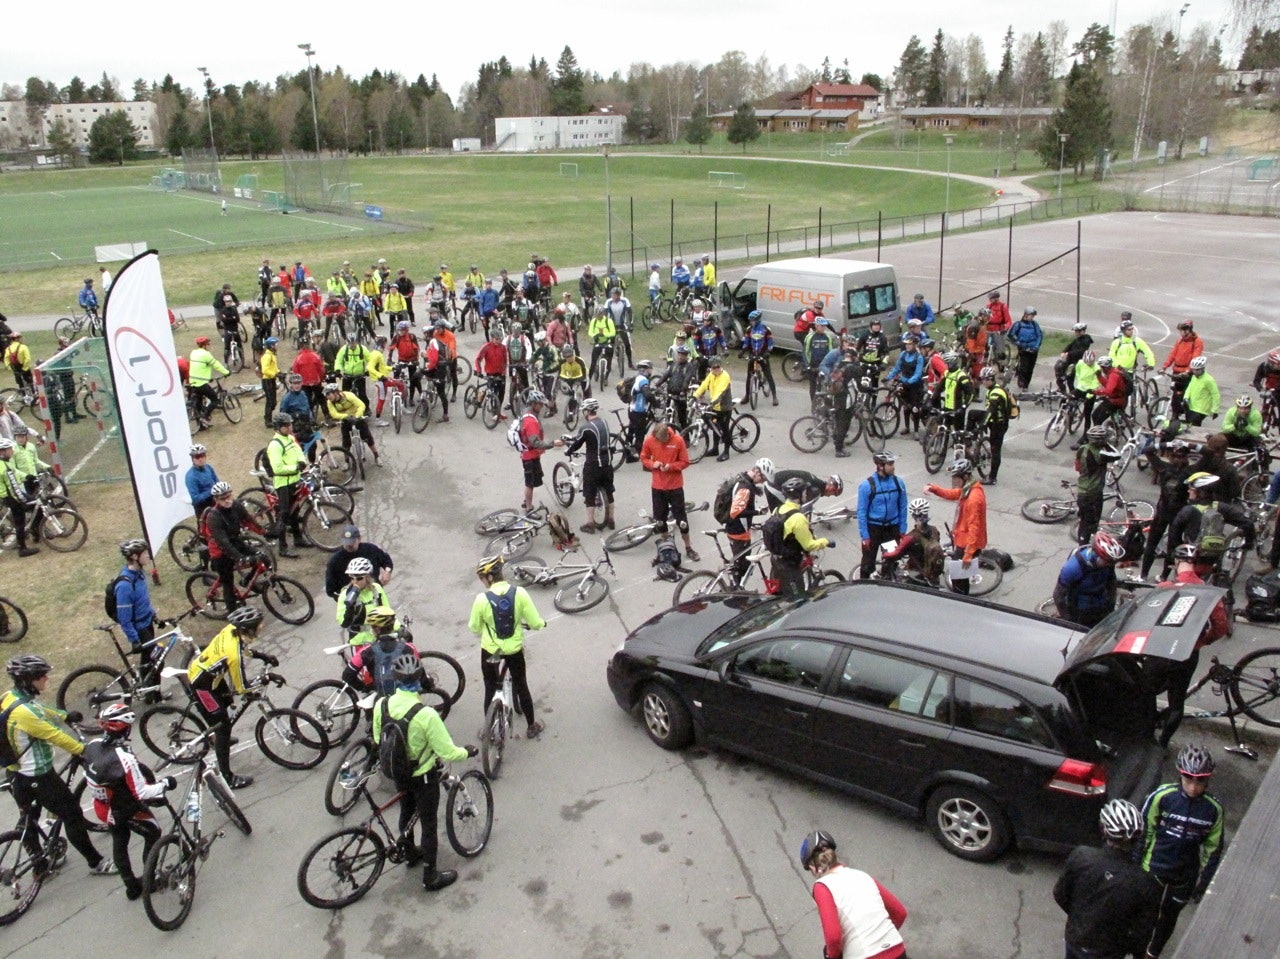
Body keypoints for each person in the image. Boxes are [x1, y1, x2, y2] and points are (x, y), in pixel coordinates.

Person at [3, 655, 116, 875]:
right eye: (41, 676)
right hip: (38, 775)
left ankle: (40, 867)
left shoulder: (10, 697)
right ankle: (96, 863)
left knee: (29, 819)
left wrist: (64, 715)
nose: (46, 678)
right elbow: (55, 736)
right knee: (72, 814)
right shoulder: (25, 714)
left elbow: (39, 709)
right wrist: (84, 750)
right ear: (28, 679)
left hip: (16, 773)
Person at [371, 653, 475, 892]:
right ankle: (430, 875)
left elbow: (378, 738)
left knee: (406, 811)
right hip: (423, 776)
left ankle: (410, 853)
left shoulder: (381, 705)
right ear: (419, 680)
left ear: (396, 680)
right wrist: (467, 752)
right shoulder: (426, 715)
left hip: (397, 772)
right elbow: (448, 752)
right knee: (429, 824)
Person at [81, 703, 178, 901]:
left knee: (120, 839)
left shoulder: (92, 745)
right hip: (124, 807)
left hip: (103, 806)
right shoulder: (124, 758)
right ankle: (150, 880)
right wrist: (165, 784)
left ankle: (131, 886)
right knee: (153, 832)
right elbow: (141, 792)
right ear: (125, 729)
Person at [1138, 744, 1225, 959]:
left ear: (1208, 779)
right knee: (1144, 913)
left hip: (1185, 875)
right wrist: (1134, 863)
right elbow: (1144, 831)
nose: (1193, 787)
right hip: (1154, 867)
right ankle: (1137, 950)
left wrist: (1204, 882)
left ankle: (1153, 953)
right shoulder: (1161, 796)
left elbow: (1213, 849)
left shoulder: (1213, 809)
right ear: (1180, 774)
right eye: (1188, 779)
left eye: (1200, 781)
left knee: (1169, 918)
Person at [1053, 799, 1161, 959]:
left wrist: (1079, 920)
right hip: (1109, 951)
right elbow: (1141, 932)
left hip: (1076, 940)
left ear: (1103, 829)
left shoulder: (1081, 856)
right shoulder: (1145, 883)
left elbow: (1060, 894)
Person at [1146, 544, 1230, 747]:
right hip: (1187, 652)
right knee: (1177, 702)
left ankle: (1146, 737)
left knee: (1146, 695)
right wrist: (1204, 640)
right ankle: (1163, 743)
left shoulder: (1164, 588)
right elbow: (1221, 626)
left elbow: (1148, 619)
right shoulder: (1208, 593)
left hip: (1160, 649)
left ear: (1176, 562)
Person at [186, 606, 278, 789]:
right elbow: (242, 687)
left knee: (227, 701)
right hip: (202, 686)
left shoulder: (231, 630)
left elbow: (242, 647)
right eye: (258, 625)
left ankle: (218, 735)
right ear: (248, 628)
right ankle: (227, 778)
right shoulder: (233, 656)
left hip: (209, 674)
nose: (261, 627)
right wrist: (267, 678)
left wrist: (262, 656)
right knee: (223, 727)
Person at [470, 555, 547, 740]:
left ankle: (488, 730)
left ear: (489, 577)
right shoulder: (519, 593)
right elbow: (534, 622)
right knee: (521, 685)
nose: (482, 581)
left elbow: (474, 627)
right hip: (514, 651)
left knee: (490, 687)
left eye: (482, 578)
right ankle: (532, 726)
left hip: (490, 651)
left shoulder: (481, 599)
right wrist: (541, 624)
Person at [801, 830, 907, 959]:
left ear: (812, 867)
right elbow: (900, 913)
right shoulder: (862, 875)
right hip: (897, 950)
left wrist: (831, 955)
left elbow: (833, 938)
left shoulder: (822, 887)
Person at [202, 480, 270, 613]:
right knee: (228, 584)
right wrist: (240, 558)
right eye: (223, 499)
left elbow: (248, 521)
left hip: (235, 541)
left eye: (229, 496)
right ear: (216, 500)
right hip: (220, 552)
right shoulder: (213, 517)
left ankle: (247, 581)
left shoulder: (236, 505)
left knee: (264, 559)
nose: (227, 500)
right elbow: (223, 542)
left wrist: (265, 532)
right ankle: (233, 616)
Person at [924, 458, 987, 594]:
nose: (954, 481)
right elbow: (953, 494)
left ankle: (961, 600)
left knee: (958, 579)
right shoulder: (969, 488)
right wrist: (934, 489)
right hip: (963, 540)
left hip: (966, 544)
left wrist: (968, 554)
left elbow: (974, 528)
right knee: (961, 577)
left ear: (965, 477)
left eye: (956, 478)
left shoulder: (973, 498)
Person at [639, 420, 700, 560]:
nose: (662, 442)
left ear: (668, 434)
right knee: (660, 521)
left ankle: (689, 548)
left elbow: (685, 462)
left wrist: (671, 466)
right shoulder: (650, 441)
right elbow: (643, 458)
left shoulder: (678, 441)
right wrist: (653, 464)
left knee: (682, 521)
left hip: (675, 487)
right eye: (659, 440)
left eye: (664, 440)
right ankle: (667, 546)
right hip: (658, 487)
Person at [112, 539, 165, 697]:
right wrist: (134, 639)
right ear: (135, 557)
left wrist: (154, 616)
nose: (148, 555)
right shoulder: (125, 585)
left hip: (147, 623)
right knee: (158, 659)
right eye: (144, 553)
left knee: (149, 661)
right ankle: (152, 693)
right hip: (139, 629)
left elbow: (143, 601)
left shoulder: (139, 574)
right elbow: (124, 618)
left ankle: (152, 694)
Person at [769, 477, 834, 598]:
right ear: (798, 495)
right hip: (789, 566)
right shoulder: (798, 518)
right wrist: (826, 541)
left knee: (781, 594)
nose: (806, 494)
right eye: (804, 492)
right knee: (798, 600)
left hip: (776, 560)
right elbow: (808, 545)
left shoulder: (778, 509)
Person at [1140, 440, 1194, 581]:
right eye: (1175, 456)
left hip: (1173, 513)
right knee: (1157, 544)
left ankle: (1157, 575)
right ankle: (1149, 575)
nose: (1177, 460)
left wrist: (1173, 445)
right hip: (1168, 511)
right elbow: (1147, 450)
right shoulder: (1171, 469)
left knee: (1168, 545)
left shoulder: (1183, 471)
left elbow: (1148, 450)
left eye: (1180, 457)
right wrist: (1169, 445)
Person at [1053, 530, 1126, 628]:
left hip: (1100, 603)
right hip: (1081, 609)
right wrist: (1068, 620)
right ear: (1097, 556)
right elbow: (1058, 596)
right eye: (1107, 562)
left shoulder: (1108, 561)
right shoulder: (1073, 568)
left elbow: (1111, 582)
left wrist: (1110, 607)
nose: (1110, 565)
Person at [565, 399, 615, 534]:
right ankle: (611, 520)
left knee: (590, 495)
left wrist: (568, 451)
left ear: (587, 411)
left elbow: (577, 443)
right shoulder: (604, 422)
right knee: (609, 492)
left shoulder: (586, 427)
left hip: (593, 466)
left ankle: (590, 524)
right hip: (607, 464)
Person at [857, 451, 908, 580]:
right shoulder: (866, 486)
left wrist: (902, 529)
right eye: (890, 464)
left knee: (891, 561)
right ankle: (863, 585)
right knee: (867, 564)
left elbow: (903, 506)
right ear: (880, 466)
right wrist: (865, 536)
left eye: (893, 464)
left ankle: (886, 583)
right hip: (874, 529)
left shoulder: (898, 483)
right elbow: (861, 512)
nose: (893, 467)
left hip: (891, 529)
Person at [514, 390, 564, 512]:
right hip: (530, 457)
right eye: (540, 404)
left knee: (532, 480)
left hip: (531, 455)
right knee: (530, 484)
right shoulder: (531, 421)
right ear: (533, 404)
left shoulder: (527, 413)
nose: (542, 406)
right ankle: (529, 508)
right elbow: (535, 443)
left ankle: (527, 501)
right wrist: (552, 443)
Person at [879, 497, 946, 584]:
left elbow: (896, 554)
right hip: (933, 575)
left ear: (913, 516)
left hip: (916, 575)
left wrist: (885, 554)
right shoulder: (935, 530)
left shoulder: (910, 537)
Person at [324, 525, 394, 600]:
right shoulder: (335, 561)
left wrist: (387, 571)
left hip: (375, 595)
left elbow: (386, 560)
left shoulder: (370, 549)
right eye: (346, 542)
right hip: (352, 601)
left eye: (352, 542)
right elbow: (330, 590)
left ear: (359, 539)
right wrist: (344, 597)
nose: (349, 545)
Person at [722, 463, 765, 584]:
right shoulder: (745, 488)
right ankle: (736, 589)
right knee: (742, 566)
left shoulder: (742, 478)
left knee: (739, 562)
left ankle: (734, 582)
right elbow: (736, 512)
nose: (762, 482)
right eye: (763, 478)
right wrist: (757, 512)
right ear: (757, 472)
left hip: (733, 528)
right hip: (739, 532)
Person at [1076, 425, 1119, 545]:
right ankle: (1083, 547)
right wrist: (1106, 444)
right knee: (1090, 524)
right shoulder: (1101, 454)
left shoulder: (1082, 449)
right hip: (1093, 492)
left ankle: (1082, 545)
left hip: (1082, 489)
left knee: (1084, 522)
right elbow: (1117, 454)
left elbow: (1077, 467)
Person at [325, 383, 380, 466]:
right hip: (346, 420)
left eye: (329, 394)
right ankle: (346, 462)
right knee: (346, 441)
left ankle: (377, 456)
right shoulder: (330, 402)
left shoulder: (348, 395)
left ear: (335, 392)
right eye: (326, 395)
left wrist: (357, 416)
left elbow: (361, 405)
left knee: (368, 437)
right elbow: (334, 414)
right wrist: (346, 417)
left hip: (357, 417)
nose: (328, 397)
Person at [0, 438, 38, 556]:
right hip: (10, 497)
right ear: (2, 452)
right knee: (20, 521)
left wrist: (28, 477)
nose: (12, 451)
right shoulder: (5, 468)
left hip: (10, 495)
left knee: (35, 505)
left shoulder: (5, 463)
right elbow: (13, 489)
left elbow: (16, 473)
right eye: (10, 449)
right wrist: (22, 500)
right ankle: (22, 549)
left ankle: (35, 530)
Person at [692, 355, 733, 463]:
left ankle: (726, 452)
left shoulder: (725, 376)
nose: (716, 369)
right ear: (710, 368)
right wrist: (695, 396)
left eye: (718, 367)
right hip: (715, 406)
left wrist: (711, 403)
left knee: (724, 428)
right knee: (714, 426)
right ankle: (715, 449)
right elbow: (704, 385)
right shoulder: (711, 375)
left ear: (720, 366)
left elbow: (720, 393)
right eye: (713, 367)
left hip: (724, 407)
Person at [885, 335, 926, 434]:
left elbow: (918, 373)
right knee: (906, 407)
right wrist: (888, 378)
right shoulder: (903, 354)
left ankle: (916, 431)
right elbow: (897, 368)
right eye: (906, 344)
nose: (907, 346)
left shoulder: (919, 357)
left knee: (915, 408)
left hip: (915, 386)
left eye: (910, 344)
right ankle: (907, 427)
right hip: (904, 383)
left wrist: (909, 381)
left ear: (915, 345)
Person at [189, 335, 229, 429]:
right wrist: (226, 372)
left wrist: (208, 378)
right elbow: (216, 364)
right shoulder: (206, 354)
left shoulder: (193, 353)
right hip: (201, 383)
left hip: (193, 382)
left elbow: (200, 367)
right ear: (204, 345)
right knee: (215, 400)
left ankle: (200, 426)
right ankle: (205, 416)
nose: (209, 346)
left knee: (199, 404)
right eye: (208, 344)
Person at [980, 367, 1012, 484]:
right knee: (973, 414)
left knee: (995, 450)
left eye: (984, 379)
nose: (982, 382)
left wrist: (983, 424)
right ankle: (970, 440)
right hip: (993, 420)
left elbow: (991, 410)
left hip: (999, 424)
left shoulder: (996, 393)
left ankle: (992, 478)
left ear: (990, 379)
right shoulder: (991, 388)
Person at [739, 311, 778, 406]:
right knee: (749, 376)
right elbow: (746, 342)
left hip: (763, 355)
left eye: (753, 320)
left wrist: (768, 352)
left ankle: (774, 397)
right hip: (753, 354)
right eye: (750, 320)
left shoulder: (766, 329)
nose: (751, 322)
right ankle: (747, 396)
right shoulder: (749, 329)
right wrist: (742, 351)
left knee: (768, 374)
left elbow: (770, 343)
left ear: (757, 320)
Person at [804, 318, 839, 403]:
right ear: (816, 326)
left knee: (825, 383)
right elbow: (805, 351)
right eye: (822, 326)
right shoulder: (809, 337)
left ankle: (824, 402)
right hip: (813, 365)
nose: (824, 328)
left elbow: (830, 352)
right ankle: (813, 403)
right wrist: (807, 364)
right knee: (813, 385)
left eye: (824, 326)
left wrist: (831, 364)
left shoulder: (827, 337)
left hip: (823, 365)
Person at [424, 322, 453, 421]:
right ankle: (445, 414)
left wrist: (428, 368)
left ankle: (429, 411)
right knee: (441, 392)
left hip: (438, 369)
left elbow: (434, 359)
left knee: (438, 391)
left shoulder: (432, 342)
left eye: (425, 334)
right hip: (442, 368)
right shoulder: (436, 341)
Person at [1009, 307, 1043, 390]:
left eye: (1033, 316)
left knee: (1030, 368)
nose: (1032, 318)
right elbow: (1011, 335)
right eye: (1031, 316)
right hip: (1024, 349)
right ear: (1026, 315)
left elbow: (1039, 335)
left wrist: (1037, 346)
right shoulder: (1018, 324)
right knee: (1024, 367)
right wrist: (1018, 343)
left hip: (1033, 349)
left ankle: (1026, 384)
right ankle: (1022, 384)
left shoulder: (1034, 324)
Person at [627, 360, 655, 458]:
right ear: (646, 369)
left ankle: (628, 454)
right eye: (650, 368)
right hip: (639, 411)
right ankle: (642, 456)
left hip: (632, 409)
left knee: (631, 431)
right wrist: (656, 403)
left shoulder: (637, 378)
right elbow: (648, 395)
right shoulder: (643, 380)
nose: (651, 370)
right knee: (640, 435)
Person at [1056, 322, 1094, 394]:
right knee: (1060, 372)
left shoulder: (1086, 340)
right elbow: (1070, 345)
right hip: (1071, 360)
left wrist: (1069, 353)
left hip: (1077, 362)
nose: (1075, 333)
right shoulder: (1078, 339)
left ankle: (1072, 394)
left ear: (1082, 331)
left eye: (1077, 331)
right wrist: (1064, 351)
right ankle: (1063, 390)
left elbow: (1081, 351)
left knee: (1070, 379)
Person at [1181, 356, 1219, 427]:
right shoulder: (1194, 377)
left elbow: (1215, 395)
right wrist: (1186, 397)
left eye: (1197, 370)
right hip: (1191, 406)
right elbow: (1190, 387)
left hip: (1201, 409)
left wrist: (1215, 410)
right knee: (1188, 426)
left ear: (1203, 369)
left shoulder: (1209, 380)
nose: (1195, 372)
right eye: (1193, 369)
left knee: (1193, 426)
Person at [985, 290, 1012, 365]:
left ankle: (1002, 364)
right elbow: (984, 318)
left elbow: (1008, 321)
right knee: (984, 347)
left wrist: (1005, 329)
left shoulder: (1003, 306)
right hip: (988, 330)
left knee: (1000, 351)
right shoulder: (988, 306)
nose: (990, 300)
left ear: (996, 298)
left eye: (991, 298)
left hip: (998, 331)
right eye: (990, 298)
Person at [3, 331, 33, 395]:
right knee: (30, 382)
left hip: (15, 368)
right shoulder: (23, 347)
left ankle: (24, 396)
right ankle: (33, 394)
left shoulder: (8, 348)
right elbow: (27, 359)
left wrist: (10, 368)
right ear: (16, 339)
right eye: (19, 337)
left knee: (20, 384)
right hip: (24, 367)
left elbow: (6, 359)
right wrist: (24, 368)